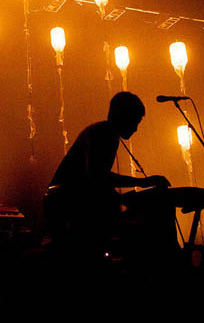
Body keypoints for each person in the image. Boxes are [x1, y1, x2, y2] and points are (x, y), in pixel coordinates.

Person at [45, 91, 171, 255]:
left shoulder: (102, 131)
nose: (136, 128)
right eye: (135, 121)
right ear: (123, 115)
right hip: (68, 203)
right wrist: (141, 183)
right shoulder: (105, 134)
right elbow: (97, 177)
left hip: (63, 201)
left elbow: (94, 180)